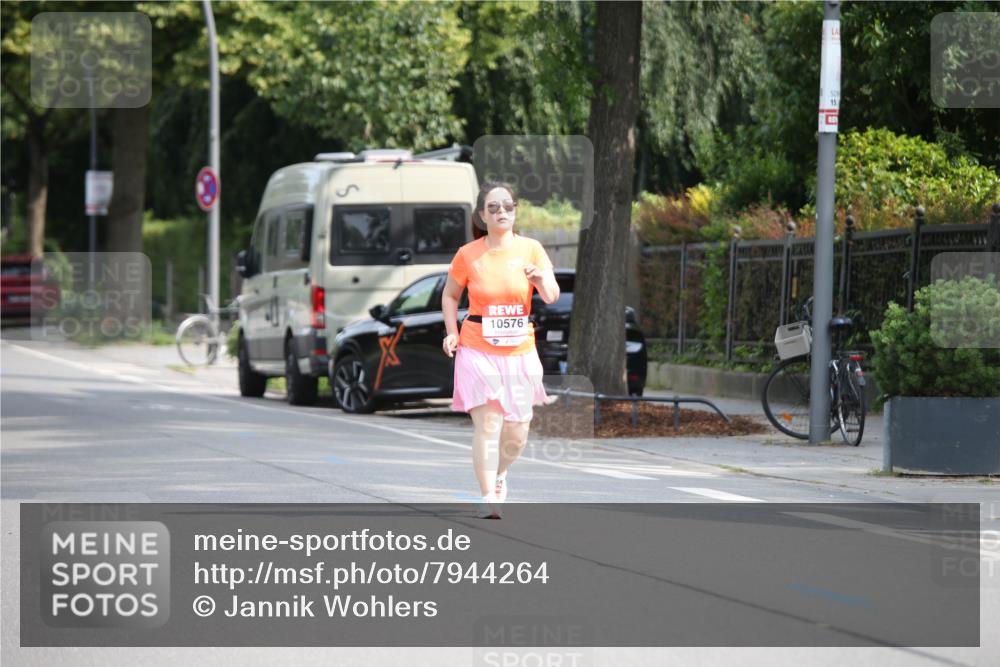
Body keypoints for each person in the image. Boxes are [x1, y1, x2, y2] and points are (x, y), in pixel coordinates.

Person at [441, 182, 560, 518]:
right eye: (493, 208)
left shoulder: (531, 249)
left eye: (507, 206)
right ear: (482, 215)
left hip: (520, 349)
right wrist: (451, 332)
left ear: (515, 210)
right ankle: (487, 495)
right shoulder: (468, 254)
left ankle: (500, 473)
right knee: (489, 425)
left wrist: (538, 279)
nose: (501, 212)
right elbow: (450, 296)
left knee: (517, 432)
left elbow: (551, 294)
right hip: (477, 346)